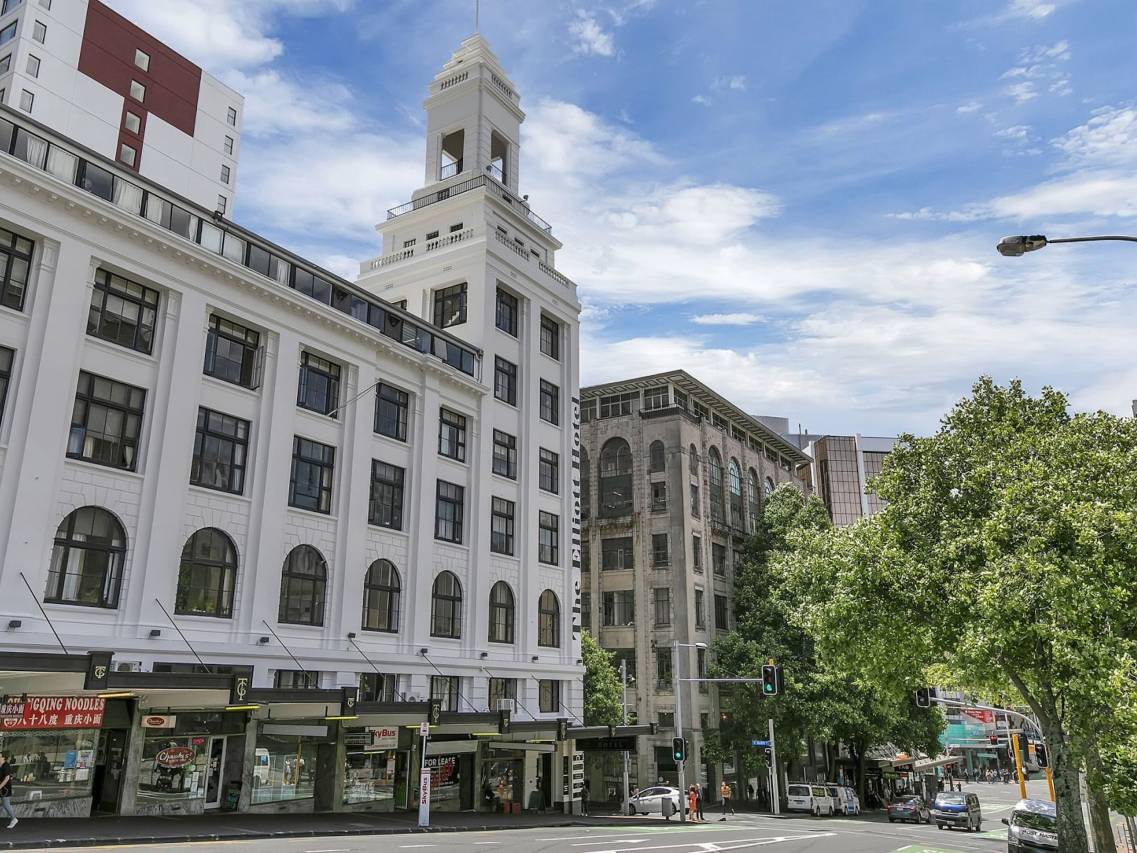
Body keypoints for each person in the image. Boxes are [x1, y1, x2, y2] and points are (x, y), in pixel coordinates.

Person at [0, 750, 17, 830]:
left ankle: (14, 819)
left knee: (6, 804)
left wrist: (0, 787)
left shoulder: (6, 765)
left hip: (5, 788)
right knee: (5, 804)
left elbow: (7, 778)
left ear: (3, 757)